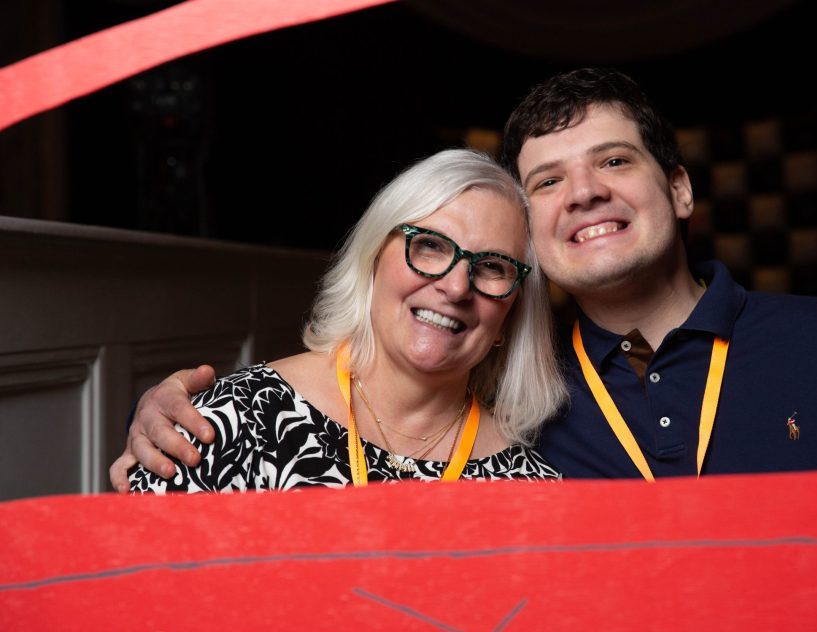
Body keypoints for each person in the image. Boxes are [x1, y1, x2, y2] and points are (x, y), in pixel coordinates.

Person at [112, 68, 817, 488]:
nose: (583, 192)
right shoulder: (526, 392)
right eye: (549, 180)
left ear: (679, 188)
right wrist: (168, 419)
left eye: (614, 161)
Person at [126, 149, 566, 492]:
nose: (455, 288)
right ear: (373, 258)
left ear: (511, 313)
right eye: (431, 245)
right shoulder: (231, 422)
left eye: (492, 267)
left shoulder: (533, 489)